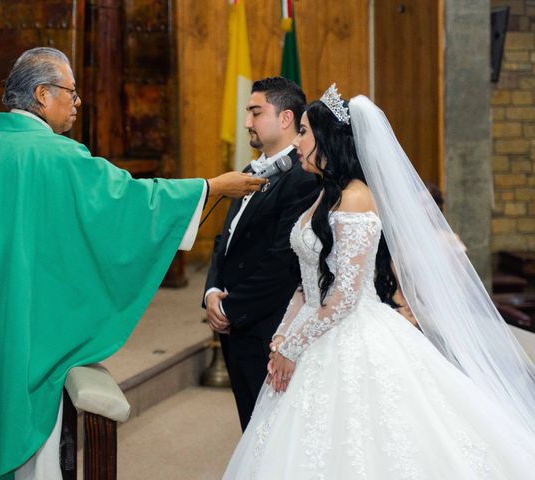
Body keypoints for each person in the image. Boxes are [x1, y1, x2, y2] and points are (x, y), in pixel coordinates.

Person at [0, 47, 265, 480]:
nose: (77, 102)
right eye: (71, 91)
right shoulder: (51, 155)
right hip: (22, 332)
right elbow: (126, 202)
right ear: (43, 95)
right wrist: (212, 186)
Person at [223, 85, 535, 478]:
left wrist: (294, 345)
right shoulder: (322, 195)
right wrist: (282, 338)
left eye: (304, 132)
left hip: (351, 332)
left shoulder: (356, 197)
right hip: (315, 328)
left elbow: (346, 296)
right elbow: (306, 283)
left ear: (329, 140)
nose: (298, 141)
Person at [203, 77, 317, 430]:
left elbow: (283, 260)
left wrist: (231, 308)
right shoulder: (250, 170)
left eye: (255, 112)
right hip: (235, 324)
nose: (247, 122)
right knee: (249, 429)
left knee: (270, 430)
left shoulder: (304, 177)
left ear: (285, 119)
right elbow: (226, 239)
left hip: (267, 324)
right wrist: (210, 292)